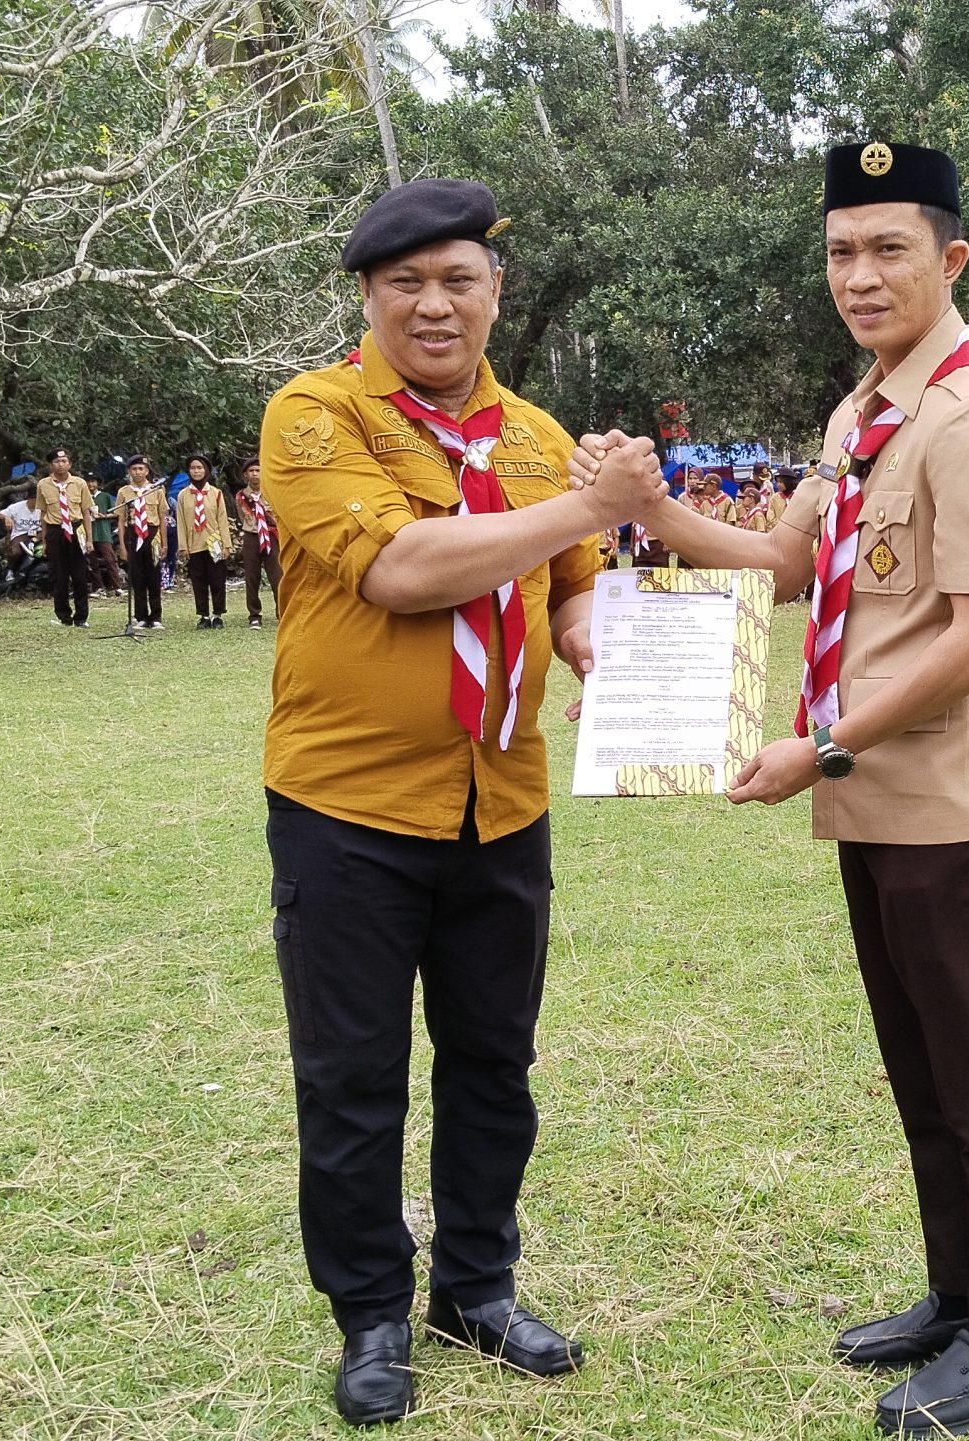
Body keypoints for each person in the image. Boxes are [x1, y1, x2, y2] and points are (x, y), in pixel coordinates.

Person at [586, 141, 969, 1438]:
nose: (860, 274)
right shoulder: (867, 413)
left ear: (949, 259)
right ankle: (957, 1296)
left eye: (888, 248)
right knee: (920, 1067)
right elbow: (790, 563)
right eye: (843, 251)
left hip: (944, 801)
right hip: (869, 793)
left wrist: (823, 744)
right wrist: (652, 509)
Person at [256, 176, 661, 1428]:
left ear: (496, 292)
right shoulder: (314, 417)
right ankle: (372, 1315)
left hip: (504, 800)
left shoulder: (538, 440)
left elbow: (575, 582)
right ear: (369, 298)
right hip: (348, 809)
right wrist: (589, 505)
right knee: (352, 1073)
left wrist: (603, 647)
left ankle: (476, 1288)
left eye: (458, 281)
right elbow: (401, 570)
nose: (434, 306)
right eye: (405, 284)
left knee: (494, 1061)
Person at [36, 448, 95, 627]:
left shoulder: (79, 483)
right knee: (58, 575)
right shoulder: (43, 485)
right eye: (56, 462)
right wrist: (44, 540)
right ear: (51, 464)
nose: (60, 465)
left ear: (69, 463)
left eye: (64, 461)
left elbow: (86, 512)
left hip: (76, 530)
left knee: (79, 575)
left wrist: (90, 540)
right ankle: (64, 616)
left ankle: (81, 617)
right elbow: (43, 513)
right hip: (55, 530)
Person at [177, 455, 232, 628]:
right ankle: (204, 616)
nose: (196, 471)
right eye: (193, 468)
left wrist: (226, 545)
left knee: (217, 580)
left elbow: (222, 520)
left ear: (206, 470)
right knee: (199, 581)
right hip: (194, 544)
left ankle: (217, 615)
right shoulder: (183, 495)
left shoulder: (216, 493)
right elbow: (181, 522)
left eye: (200, 468)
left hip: (214, 543)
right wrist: (183, 546)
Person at [116, 459, 167, 631]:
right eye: (134, 469)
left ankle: (156, 616)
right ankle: (141, 616)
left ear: (147, 471)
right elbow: (121, 520)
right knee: (137, 578)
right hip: (133, 534)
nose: (137, 472)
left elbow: (162, 519)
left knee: (154, 576)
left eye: (141, 468)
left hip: (152, 534)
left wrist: (165, 544)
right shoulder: (124, 492)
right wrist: (122, 546)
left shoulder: (156, 490)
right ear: (129, 471)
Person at [234, 456, 280, 629]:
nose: (255, 475)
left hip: (271, 535)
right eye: (251, 471)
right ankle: (254, 615)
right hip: (251, 536)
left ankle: (281, 611)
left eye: (258, 471)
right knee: (252, 576)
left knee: (277, 575)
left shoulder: (272, 492)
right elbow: (242, 516)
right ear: (246, 475)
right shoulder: (241, 496)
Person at [89, 471, 124, 597]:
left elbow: (116, 513)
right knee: (93, 562)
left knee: (110, 560)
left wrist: (103, 516)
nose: (90, 484)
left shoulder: (105, 496)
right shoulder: (84, 496)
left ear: (98, 483)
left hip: (103, 532)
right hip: (89, 534)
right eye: (88, 481)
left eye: (93, 481)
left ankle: (117, 586)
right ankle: (98, 588)